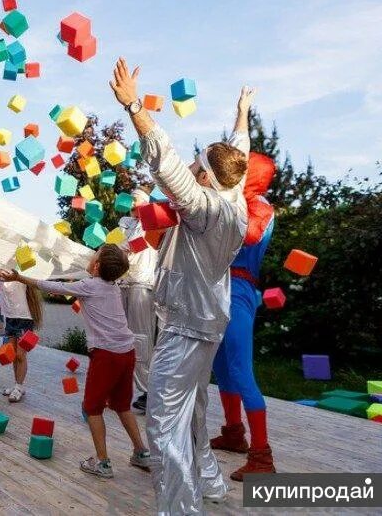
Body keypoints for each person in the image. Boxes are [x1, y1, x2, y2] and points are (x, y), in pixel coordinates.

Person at [110, 56, 254, 514]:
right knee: (193, 413)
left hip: (185, 330)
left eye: (197, 166)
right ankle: (209, 484)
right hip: (208, 326)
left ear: (208, 178)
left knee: (162, 423)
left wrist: (134, 107)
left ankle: (180, 508)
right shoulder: (235, 202)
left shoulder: (205, 206)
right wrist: (242, 114)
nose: (191, 168)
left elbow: (164, 160)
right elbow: (240, 154)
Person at [0, 244, 152, 477]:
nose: (90, 258)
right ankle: (141, 453)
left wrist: (19, 277)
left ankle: (102, 462)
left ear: (97, 265)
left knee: (92, 408)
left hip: (106, 355)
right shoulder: (114, 285)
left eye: (94, 256)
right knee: (122, 406)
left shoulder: (89, 285)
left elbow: (52, 286)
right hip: (126, 353)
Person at [211, 153, 277, 480]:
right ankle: (234, 434)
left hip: (237, 289)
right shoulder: (243, 202)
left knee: (240, 369)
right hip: (223, 287)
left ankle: (262, 458)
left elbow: (245, 236)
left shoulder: (260, 207)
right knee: (221, 367)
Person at [117, 188, 158, 414]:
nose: (131, 203)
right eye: (130, 199)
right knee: (123, 337)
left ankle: (151, 390)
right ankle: (124, 387)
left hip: (142, 284)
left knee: (141, 338)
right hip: (124, 283)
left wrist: (111, 251)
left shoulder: (150, 222)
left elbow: (135, 246)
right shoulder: (127, 223)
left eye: (136, 199)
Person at [0, 274, 43, 403]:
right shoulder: (1, 274)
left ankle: (19, 386)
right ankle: (17, 385)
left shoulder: (19, 273)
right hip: (10, 317)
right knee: (13, 355)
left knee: (21, 355)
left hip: (24, 318)